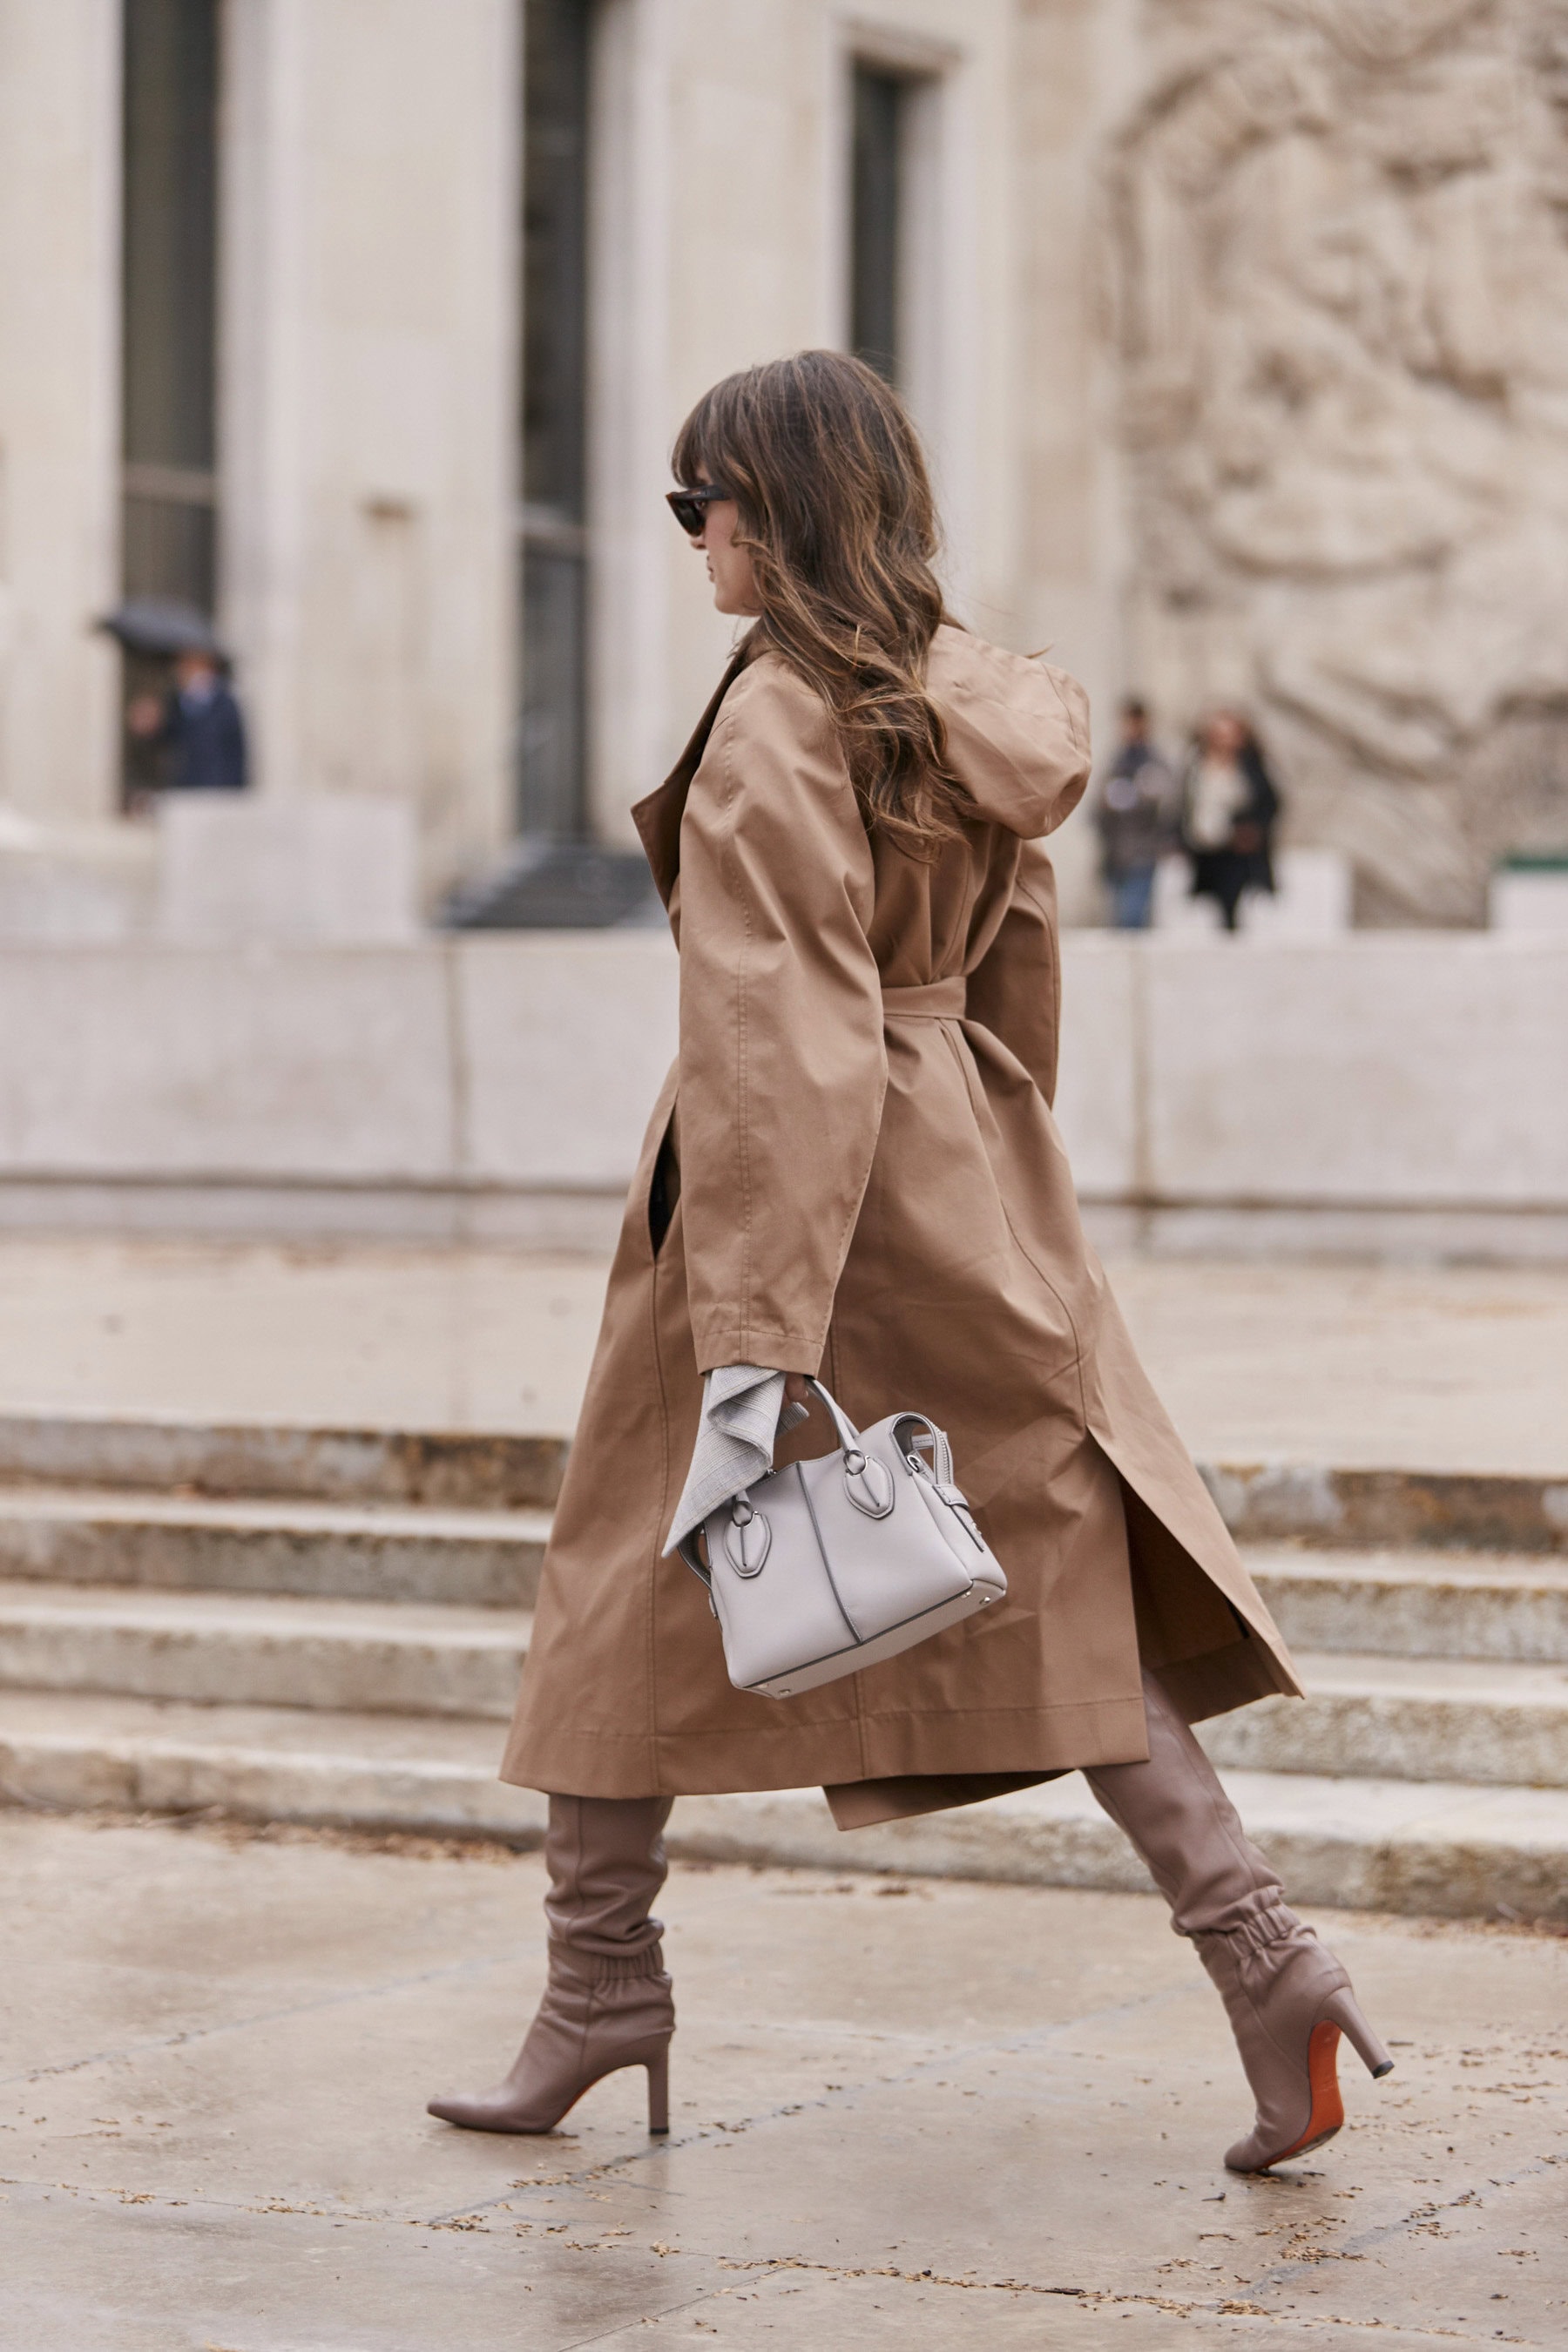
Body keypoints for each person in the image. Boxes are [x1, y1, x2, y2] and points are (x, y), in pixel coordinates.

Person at [426, 353, 1390, 2174]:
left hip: (788, 1199)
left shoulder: (787, 710)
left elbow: (779, 1022)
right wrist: (998, 1171)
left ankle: (601, 1984)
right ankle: (1270, 1961)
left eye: (698, 497)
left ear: (774, 507)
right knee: (1053, 1591)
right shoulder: (970, 706)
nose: (689, 532)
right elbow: (1020, 986)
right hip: (959, 1167)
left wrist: (751, 1341)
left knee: (623, 1589)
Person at [1179, 710, 1280, 932]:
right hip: (1206, 850)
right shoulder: (1196, 764)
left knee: (1236, 905)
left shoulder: (1252, 766)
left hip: (1239, 853)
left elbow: (1269, 803)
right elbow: (1186, 806)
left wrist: (1252, 830)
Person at [1093, 696, 1178, 929]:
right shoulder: (1115, 760)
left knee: (1132, 920)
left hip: (1142, 852)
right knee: (1118, 920)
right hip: (1115, 854)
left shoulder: (1154, 760)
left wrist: (1137, 796)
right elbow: (1097, 806)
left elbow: (1167, 805)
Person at [126, 645, 248, 796]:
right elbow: (169, 739)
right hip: (186, 788)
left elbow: (224, 749)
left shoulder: (225, 703)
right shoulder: (176, 702)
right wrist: (150, 727)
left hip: (218, 790)